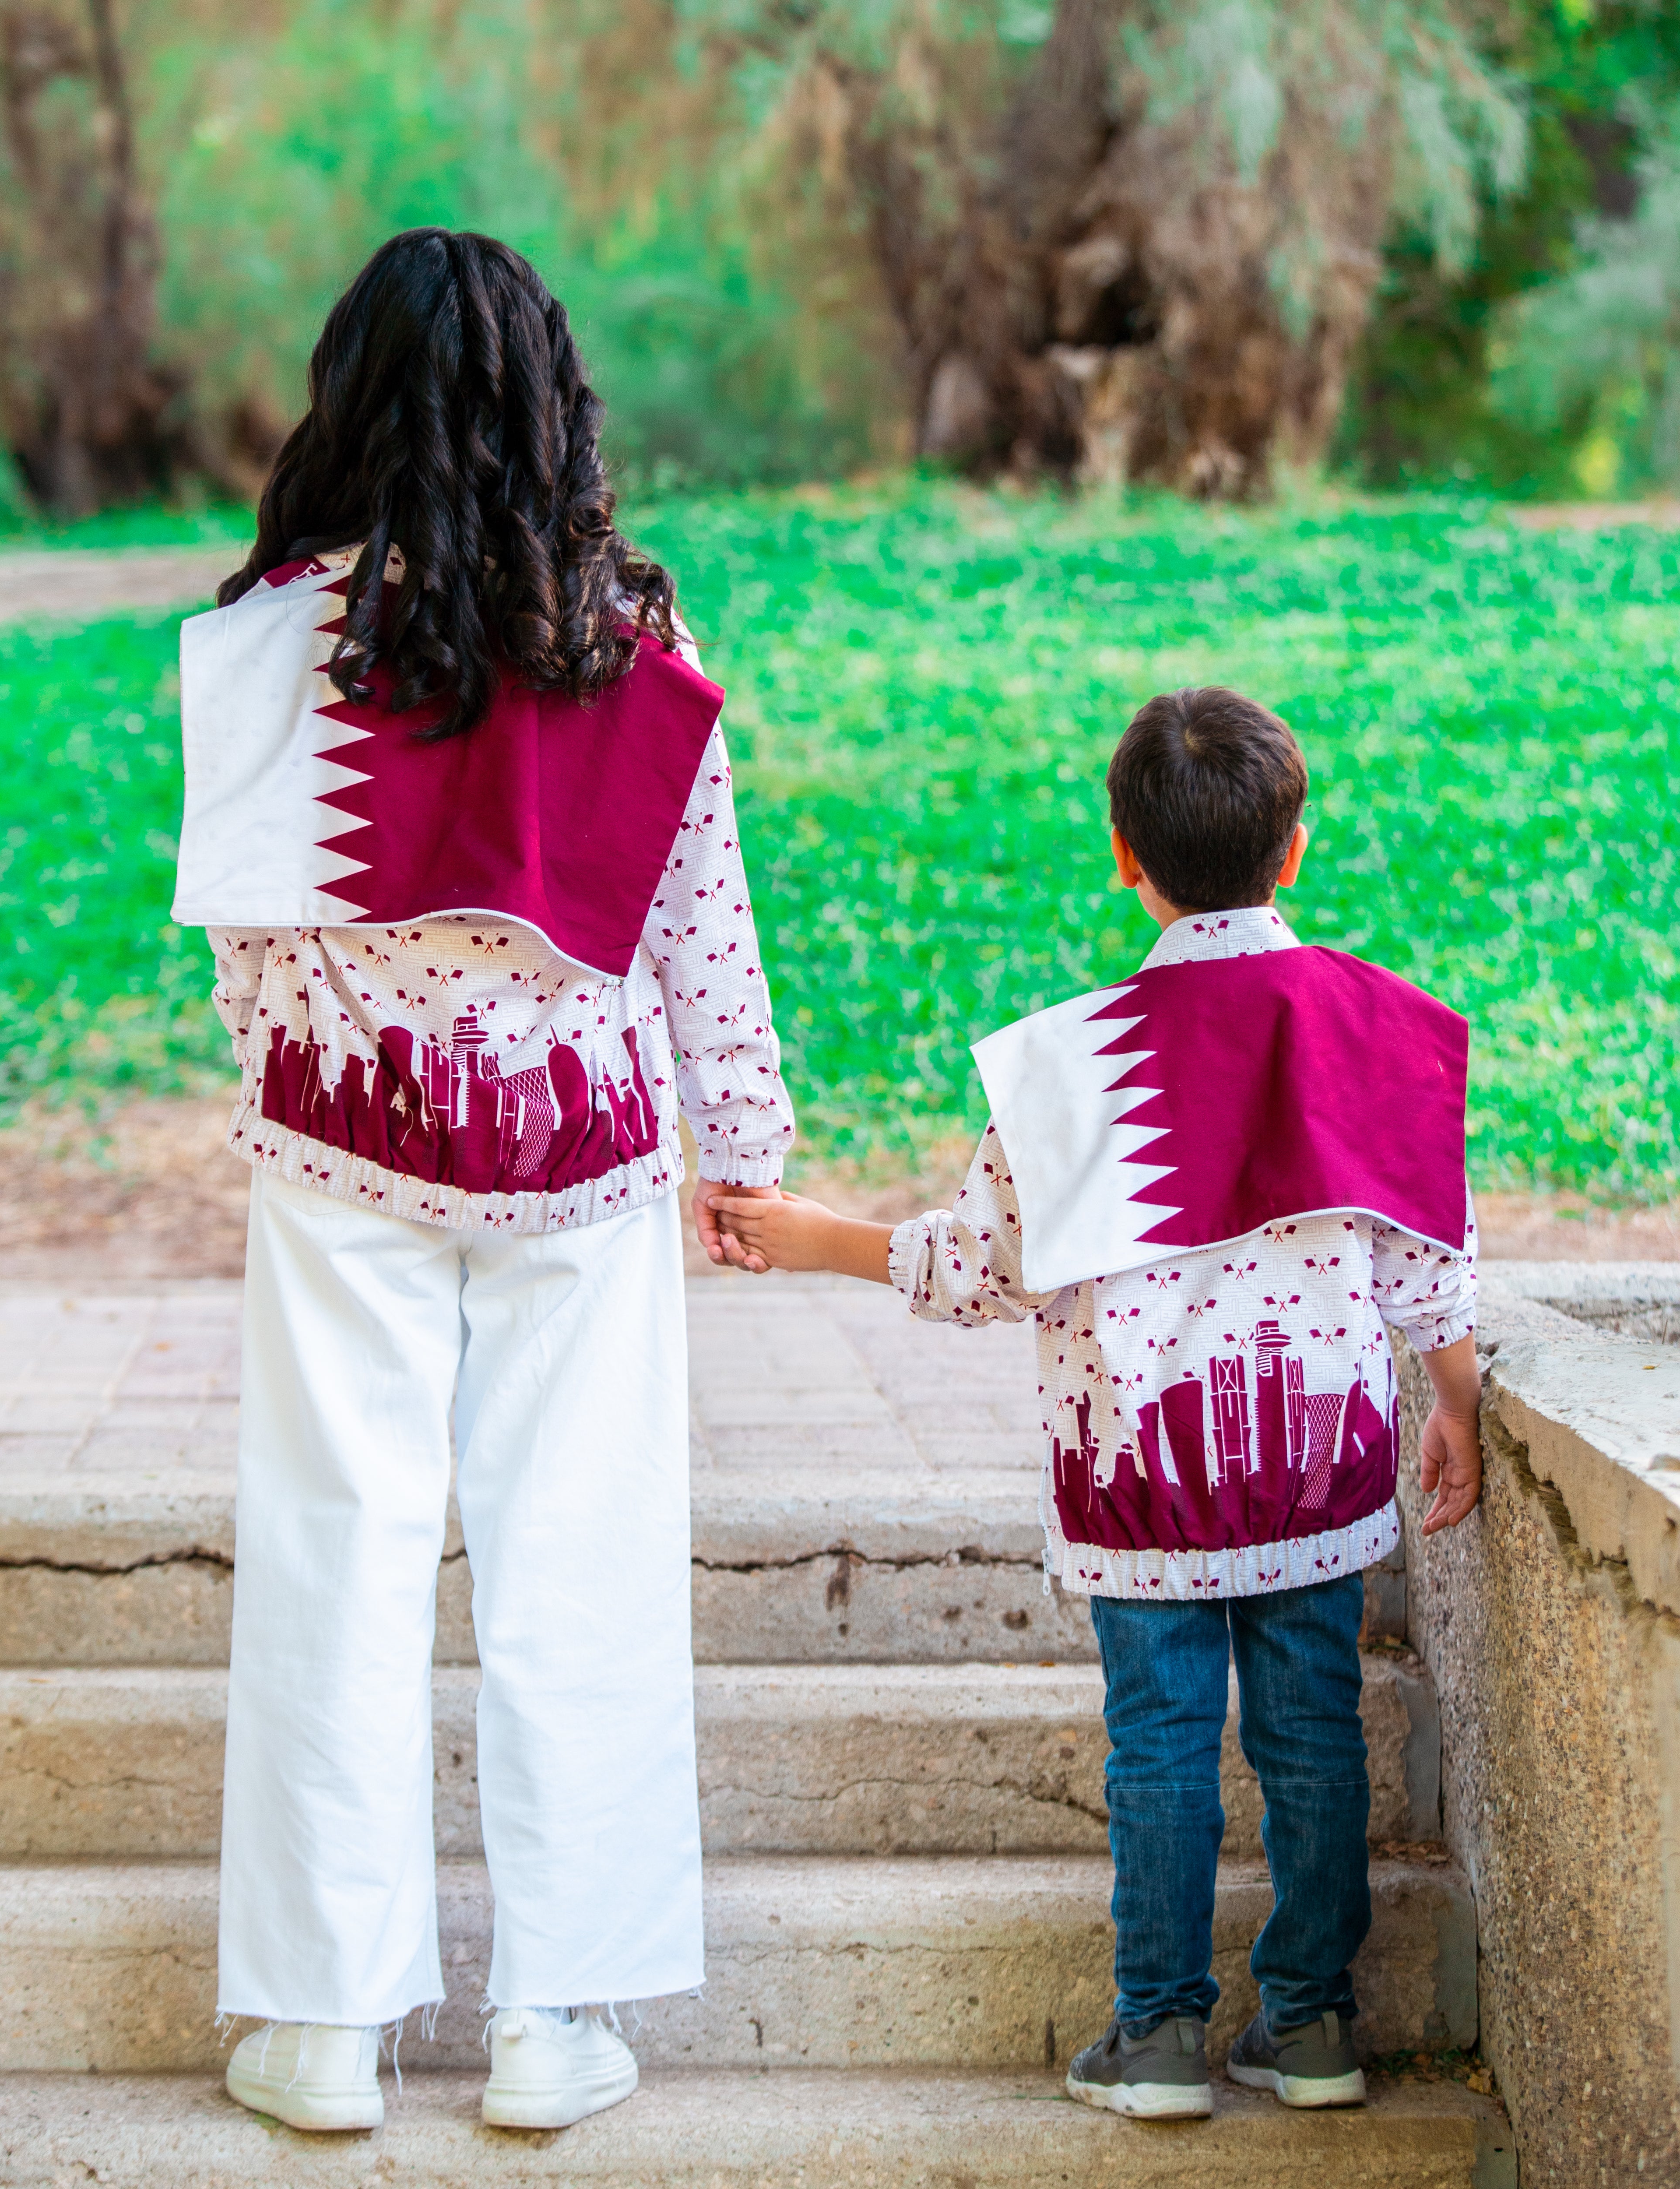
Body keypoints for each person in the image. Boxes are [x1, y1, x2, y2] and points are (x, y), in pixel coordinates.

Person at [171, 229, 791, 2134]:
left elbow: (246, 959)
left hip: (340, 1145)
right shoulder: (628, 633)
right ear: (550, 398)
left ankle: (322, 2028)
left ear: (344, 394)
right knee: (578, 1560)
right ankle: (553, 2016)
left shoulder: (266, 636)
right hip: (584, 1158)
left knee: (331, 1554)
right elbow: (700, 925)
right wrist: (742, 1155)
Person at [710, 687, 1482, 2122]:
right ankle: (1312, 2024)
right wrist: (1457, 1405)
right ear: (1295, 849)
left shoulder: (1068, 1063)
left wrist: (818, 1235)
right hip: (1314, 1480)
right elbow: (1428, 1263)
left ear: (1122, 852)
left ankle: (1162, 2036)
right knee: (1313, 1738)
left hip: (1141, 1490)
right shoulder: (1376, 1031)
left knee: (1162, 1749)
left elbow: (982, 1266)